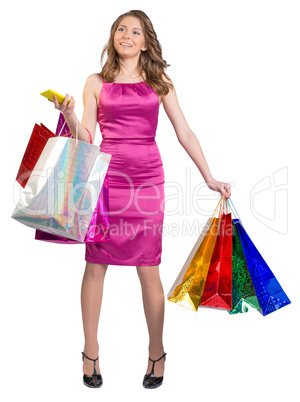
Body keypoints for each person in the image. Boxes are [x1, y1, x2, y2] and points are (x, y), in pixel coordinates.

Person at [51, 9, 231, 389]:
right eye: (121, 29)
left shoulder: (159, 81)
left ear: (146, 41)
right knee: (95, 265)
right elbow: (86, 138)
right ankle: (91, 352)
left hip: (147, 181)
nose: (127, 36)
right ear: (113, 36)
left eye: (135, 32)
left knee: (148, 267)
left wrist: (209, 176)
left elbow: (184, 131)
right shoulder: (95, 81)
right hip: (107, 180)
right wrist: (68, 112)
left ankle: (156, 352)